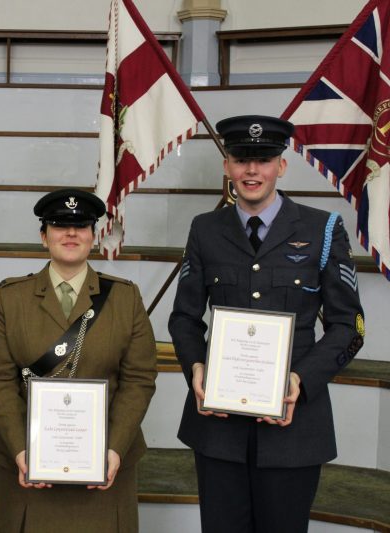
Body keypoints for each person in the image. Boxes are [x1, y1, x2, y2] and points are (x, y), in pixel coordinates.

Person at [169, 115, 365, 533]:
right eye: (241, 159)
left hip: (294, 429)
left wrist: (301, 381)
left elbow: (350, 327)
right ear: (227, 166)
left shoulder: (322, 229)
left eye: (263, 159)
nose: (251, 170)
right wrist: (196, 370)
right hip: (218, 431)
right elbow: (184, 318)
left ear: (282, 164)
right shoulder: (205, 229)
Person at [0, 188, 158, 533]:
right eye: (60, 225)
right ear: (43, 236)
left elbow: (139, 380)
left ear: (93, 236)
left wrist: (114, 449)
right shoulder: (10, 297)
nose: (71, 234)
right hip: (26, 468)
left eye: (81, 225)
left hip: (106, 466)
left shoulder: (125, 298)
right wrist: (20, 450)